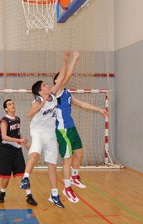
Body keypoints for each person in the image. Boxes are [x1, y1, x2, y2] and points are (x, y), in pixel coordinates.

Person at [53, 51, 110, 203]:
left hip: (72, 128)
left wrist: (99, 109)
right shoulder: (56, 92)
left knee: (79, 153)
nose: (63, 78)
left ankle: (75, 177)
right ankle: (66, 188)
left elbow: (82, 104)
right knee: (67, 159)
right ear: (57, 81)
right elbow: (68, 74)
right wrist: (71, 59)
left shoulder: (67, 93)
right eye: (60, 77)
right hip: (62, 131)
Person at [20, 51, 70, 208]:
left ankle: (54, 195)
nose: (48, 86)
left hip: (50, 134)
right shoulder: (38, 100)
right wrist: (40, 106)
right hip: (38, 131)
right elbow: (29, 114)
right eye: (44, 85)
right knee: (34, 154)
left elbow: (61, 78)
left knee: (52, 165)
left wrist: (64, 60)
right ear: (40, 92)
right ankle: (26, 177)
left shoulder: (53, 95)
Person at [0, 99, 37, 206]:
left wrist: (24, 141)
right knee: (6, 176)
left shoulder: (17, 119)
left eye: (13, 103)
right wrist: (19, 140)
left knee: (24, 174)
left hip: (17, 151)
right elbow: (4, 136)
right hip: (5, 150)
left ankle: (29, 196)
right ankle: (2, 193)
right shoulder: (4, 121)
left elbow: (18, 133)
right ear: (6, 109)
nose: (12, 105)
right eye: (9, 104)